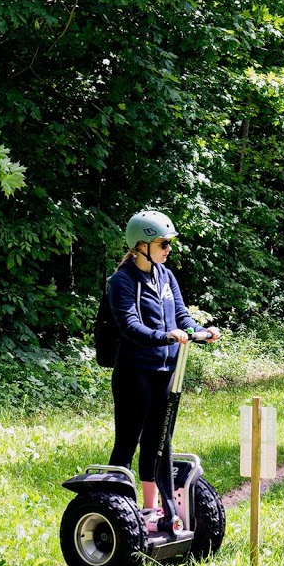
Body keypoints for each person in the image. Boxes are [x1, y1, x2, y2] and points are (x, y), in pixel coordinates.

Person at [107, 210, 220, 526]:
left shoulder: (166, 276)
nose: (169, 249)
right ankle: (115, 506)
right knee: (128, 439)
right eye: (163, 243)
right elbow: (130, 327)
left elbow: (181, 316)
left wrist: (202, 331)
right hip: (135, 371)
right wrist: (165, 336)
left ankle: (150, 509)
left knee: (159, 441)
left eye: (170, 243)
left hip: (168, 369)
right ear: (141, 245)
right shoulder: (122, 280)